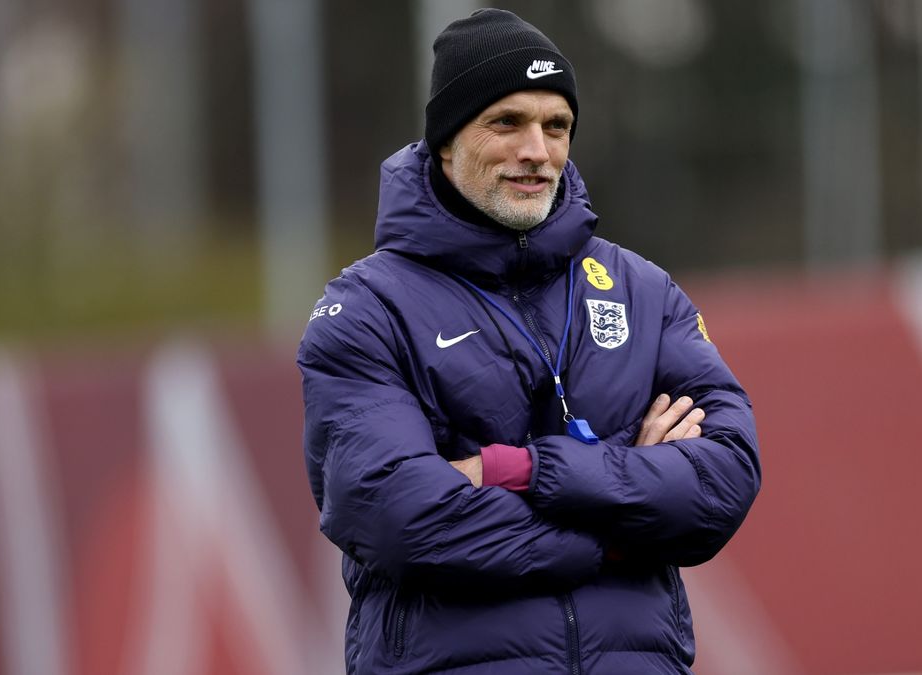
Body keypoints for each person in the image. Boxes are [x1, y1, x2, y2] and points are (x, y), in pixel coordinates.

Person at [298, 8, 760, 674]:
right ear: (446, 141)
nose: (536, 151)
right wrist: (624, 527)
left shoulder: (642, 290)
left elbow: (725, 478)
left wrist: (521, 470)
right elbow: (402, 517)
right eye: (506, 122)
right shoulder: (366, 309)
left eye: (557, 126)